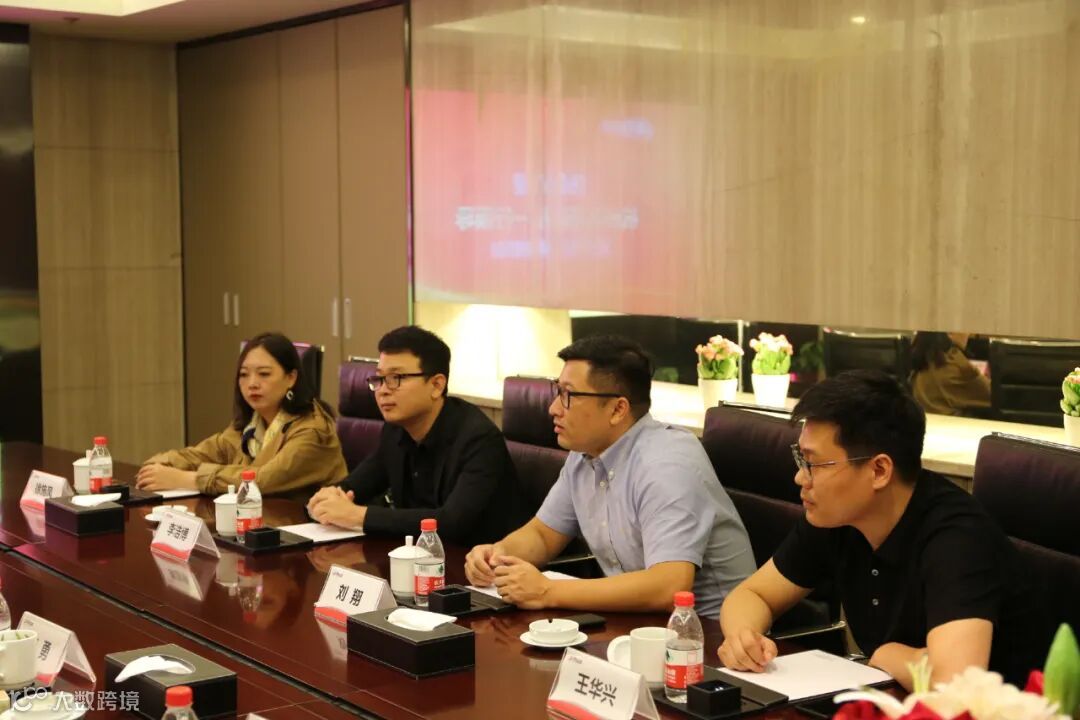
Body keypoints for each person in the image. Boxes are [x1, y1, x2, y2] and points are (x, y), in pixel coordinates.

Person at [716, 370, 1047, 689]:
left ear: (878, 470)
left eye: (814, 464)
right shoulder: (838, 517)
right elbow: (752, 595)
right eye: (800, 459)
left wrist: (888, 655)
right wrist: (743, 638)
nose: (800, 477)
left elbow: (953, 680)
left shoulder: (956, 539)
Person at [464, 335, 755, 620]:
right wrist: (497, 555)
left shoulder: (667, 465)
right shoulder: (584, 454)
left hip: (711, 632)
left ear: (618, 409)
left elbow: (669, 586)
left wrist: (547, 591)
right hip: (636, 622)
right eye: (557, 391)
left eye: (568, 395)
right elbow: (543, 535)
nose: (553, 408)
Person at [306, 326, 522, 545]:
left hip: (477, 559)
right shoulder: (395, 429)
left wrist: (357, 515)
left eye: (396, 378)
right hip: (415, 555)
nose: (383, 390)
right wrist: (330, 498)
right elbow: (359, 484)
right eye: (379, 378)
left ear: (436, 385)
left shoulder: (479, 439)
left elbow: (452, 522)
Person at [137, 332, 346, 499]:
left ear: (291, 378)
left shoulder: (313, 430)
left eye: (264, 374)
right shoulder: (251, 423)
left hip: (305, 530)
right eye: (244, 374)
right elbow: (202, 454)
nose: (252, 383)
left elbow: (262, 480)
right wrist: (157, 466)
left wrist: (186, 479)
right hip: (261, 524)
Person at [910, 332, 990, 416]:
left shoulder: (923, 358)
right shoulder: (955, 364)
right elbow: (995, 396)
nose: (968, 334)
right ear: (951, 332)